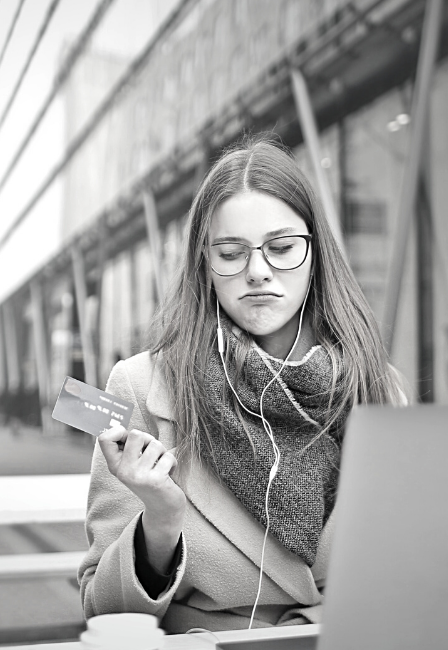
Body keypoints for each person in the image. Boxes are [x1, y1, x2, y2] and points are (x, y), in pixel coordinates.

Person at [78, 135, 406, 633]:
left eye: (281, 248)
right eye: (231, 252)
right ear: (205, 264)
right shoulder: (139, 385)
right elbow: (104, 610)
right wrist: (160, 526)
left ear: (315, 254)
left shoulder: (379, 389)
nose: (257, 272)